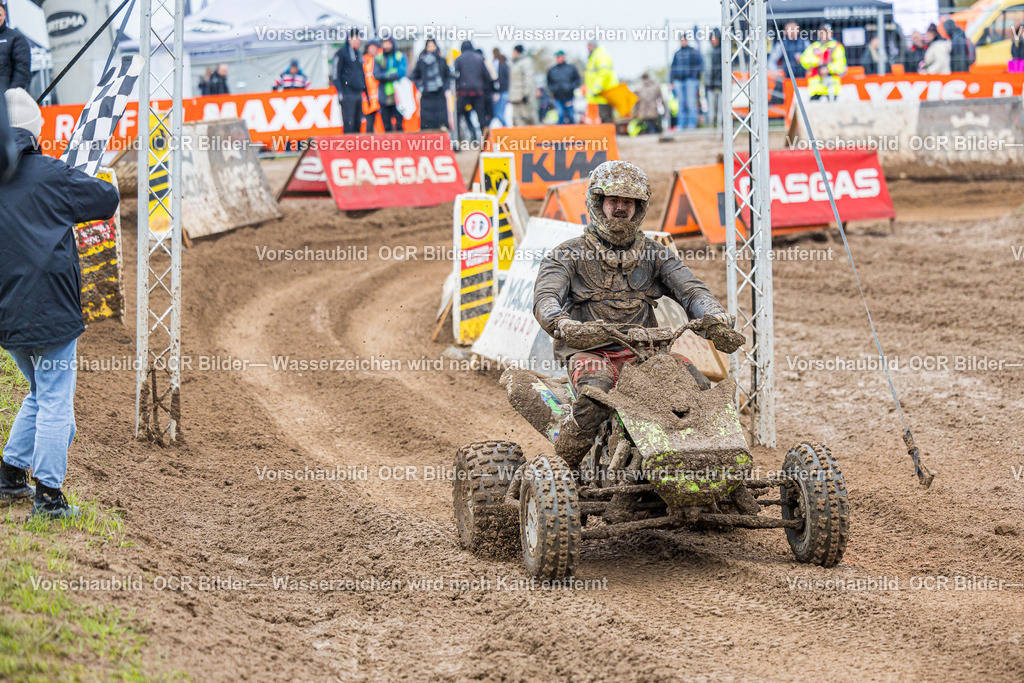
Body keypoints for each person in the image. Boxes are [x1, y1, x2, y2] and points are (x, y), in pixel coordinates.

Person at [532, 161, 741, 466]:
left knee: (696, 385)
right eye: (613, 201)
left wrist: (714, 317)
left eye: (628, 203)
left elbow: (692, 290)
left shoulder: (655, 254)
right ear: (597, 202)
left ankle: (699, 463)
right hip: (591, 351)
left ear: (639, 208)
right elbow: (545, 297)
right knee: (596, 396)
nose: (620, 209)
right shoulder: (567, 253)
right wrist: (561, 322)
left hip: (647, 355)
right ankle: (567, 464)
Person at [0, 88, 120, 518]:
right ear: (35, 133)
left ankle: (10, 474)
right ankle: (48, 497)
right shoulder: (53, 173)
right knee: (54, 400)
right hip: (49, 309)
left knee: (40, 390)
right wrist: (74, 178)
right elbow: (107, 200)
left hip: (6, 312)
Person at [453, 40, 490, 143]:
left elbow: (455, 77)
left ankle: (457, 140)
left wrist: (457, 88)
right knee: (481, 117)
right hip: (478, 92)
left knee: (457, 115)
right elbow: (487, 76)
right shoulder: (479, 58)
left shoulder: (459, 59)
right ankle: (486, 141)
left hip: (463, 92)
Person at [799, 24, 847, 101]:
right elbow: (804, 60)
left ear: (831, 33)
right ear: (819, 33)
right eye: (822, 32)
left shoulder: (836, 46)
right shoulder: (814, 46)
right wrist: (817, 62)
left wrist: (828, 69)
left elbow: (841, 65)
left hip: (831, 88)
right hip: (816, 89)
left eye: (827, 32)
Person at [411, 39, 450, 130]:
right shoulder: (421, 62)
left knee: (441, 117)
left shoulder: (442, 61)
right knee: (427, 119)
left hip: (439, 93)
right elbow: (414, 75)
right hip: (426, 93)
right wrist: (419, 87)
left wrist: (445, 87)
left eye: (432, 46)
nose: (431, 48)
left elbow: (447, 75)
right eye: (429, 46)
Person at [333, 29, 366, 134]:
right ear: (349, 39)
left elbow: (362, 74)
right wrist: (340, 92)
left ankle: (358, 148)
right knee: (349, 122)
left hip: (358, 93)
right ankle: (348, 147)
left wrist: (365, 91)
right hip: (347, 93)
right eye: (354, 38)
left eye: (359, 39)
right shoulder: (341, 53)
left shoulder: (359, 54)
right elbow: (335, 74)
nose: (357, 41)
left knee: (358, 123)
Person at [768, 21, 809, 102]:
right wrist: (775, 72)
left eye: (794, 29)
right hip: (788, 79)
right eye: (789, 30)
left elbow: (813, 58)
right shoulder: (782, 44)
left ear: (798, 31)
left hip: (803, 79)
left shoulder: (805, 42)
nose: (792, 32)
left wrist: (803, 58)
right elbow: (771, 61)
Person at [374, 38, 407, 132]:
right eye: (385, 43)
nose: (387, 46)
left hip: (398, 96)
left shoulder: (399, 56)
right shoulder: (379, 58)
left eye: (389, 43)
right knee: (386, 125)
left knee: (400, 124)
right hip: (384, 95)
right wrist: (392, 74)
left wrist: (385, 75)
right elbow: (376, 75)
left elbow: (401, 72)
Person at [670, 35, 703, 129]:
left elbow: (698, 65)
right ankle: (681, 125)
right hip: (679, 80)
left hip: (690, 80)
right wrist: (671, 81)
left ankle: (692, 124)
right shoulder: (677, 53)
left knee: (691, 103)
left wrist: (694, 76)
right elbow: (673, 67)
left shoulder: (692, 51)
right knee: (681, 104)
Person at [0, 2, 30, 92]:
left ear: (5, 15)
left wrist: (12, 93)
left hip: (5, 96)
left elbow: (22, 70)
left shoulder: (15, 38)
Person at [585, 41, 618, 123]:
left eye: (589, 46)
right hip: (601, 94)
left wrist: (596, 89)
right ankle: (608, 134)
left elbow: (604, 73)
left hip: (604, 93)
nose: (588, 49)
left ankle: (609, 135)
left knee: (605, 117)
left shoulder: (600, 55)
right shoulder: (594, 57)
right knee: (604, 117)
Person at [547, 51, 581, 124]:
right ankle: (560, 133)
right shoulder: (552, 70)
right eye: (557, 57)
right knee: (560, 115)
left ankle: (573, 132)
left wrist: (571, 87)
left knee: (571, 115)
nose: (558, 59)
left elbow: (577, 80)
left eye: (560, 57)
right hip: (558, 97)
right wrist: (553, 89)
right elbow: (549, 82)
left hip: (569, 96)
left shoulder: (571, 68)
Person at [508, 45, 537, 126]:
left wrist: (526, 94)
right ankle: (520, 138)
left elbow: (528, 79)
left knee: (529, 118)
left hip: (523, 97)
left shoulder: (526, 62)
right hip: (515, 97)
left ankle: (535, 137)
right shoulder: (514, 63)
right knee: (517, 120)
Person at [361, 40, 382, 133]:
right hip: (369, 96)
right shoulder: (364, 60)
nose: (373, 50)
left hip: (381, 95)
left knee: (384, 122)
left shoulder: (381, 58)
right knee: (369, 122)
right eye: (371, 48)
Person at [706, 29, 723, 129]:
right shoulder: (709, 52)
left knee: (721, 108)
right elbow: (707, 70)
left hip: (721, 84)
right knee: (711, 109)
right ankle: (711, 127)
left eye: (715, 38)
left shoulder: (723, 51)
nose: (713, 40)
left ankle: (721, 127)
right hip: (711, 84)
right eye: (711, 38)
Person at [491, 48, 510, 127]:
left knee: (497, 113)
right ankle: (505, 127)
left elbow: (496, 79)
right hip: (504, 91)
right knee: (500, 113)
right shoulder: (504, 64)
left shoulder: (496, 63)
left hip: (499, 91)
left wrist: (496, 91)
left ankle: (506, 128)